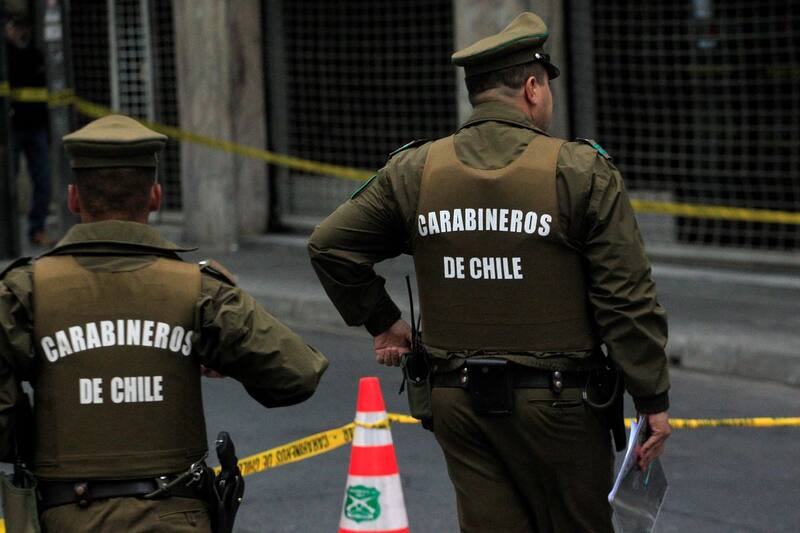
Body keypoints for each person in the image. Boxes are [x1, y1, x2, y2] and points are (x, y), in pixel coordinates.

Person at [308, 12, 670, 533]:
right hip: (562, 405)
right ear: (531, 88)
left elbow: (329, 246)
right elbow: (626, 298)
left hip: (458, 403)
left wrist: (383, 321)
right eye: (545, 88)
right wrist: (652, 398)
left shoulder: (415, 171)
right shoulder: (579, 170)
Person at [0, 114, 329, 532]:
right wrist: (220, 354)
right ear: (155, 197)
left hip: (66, 515)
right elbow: (298, 373)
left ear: (72, 199)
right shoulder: (199, 290)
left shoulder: (24, 291)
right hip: (176, 516)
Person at [5, 12, 52, 246]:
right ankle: (6, 233)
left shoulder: (35, 55)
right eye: (17, 27)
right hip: (10, 129)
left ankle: (37, 229)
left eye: (25, 27)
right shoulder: (4, 57)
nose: (21, 32)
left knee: (43, 180)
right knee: (6, 182)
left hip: (36, 128)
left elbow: (44, 94)